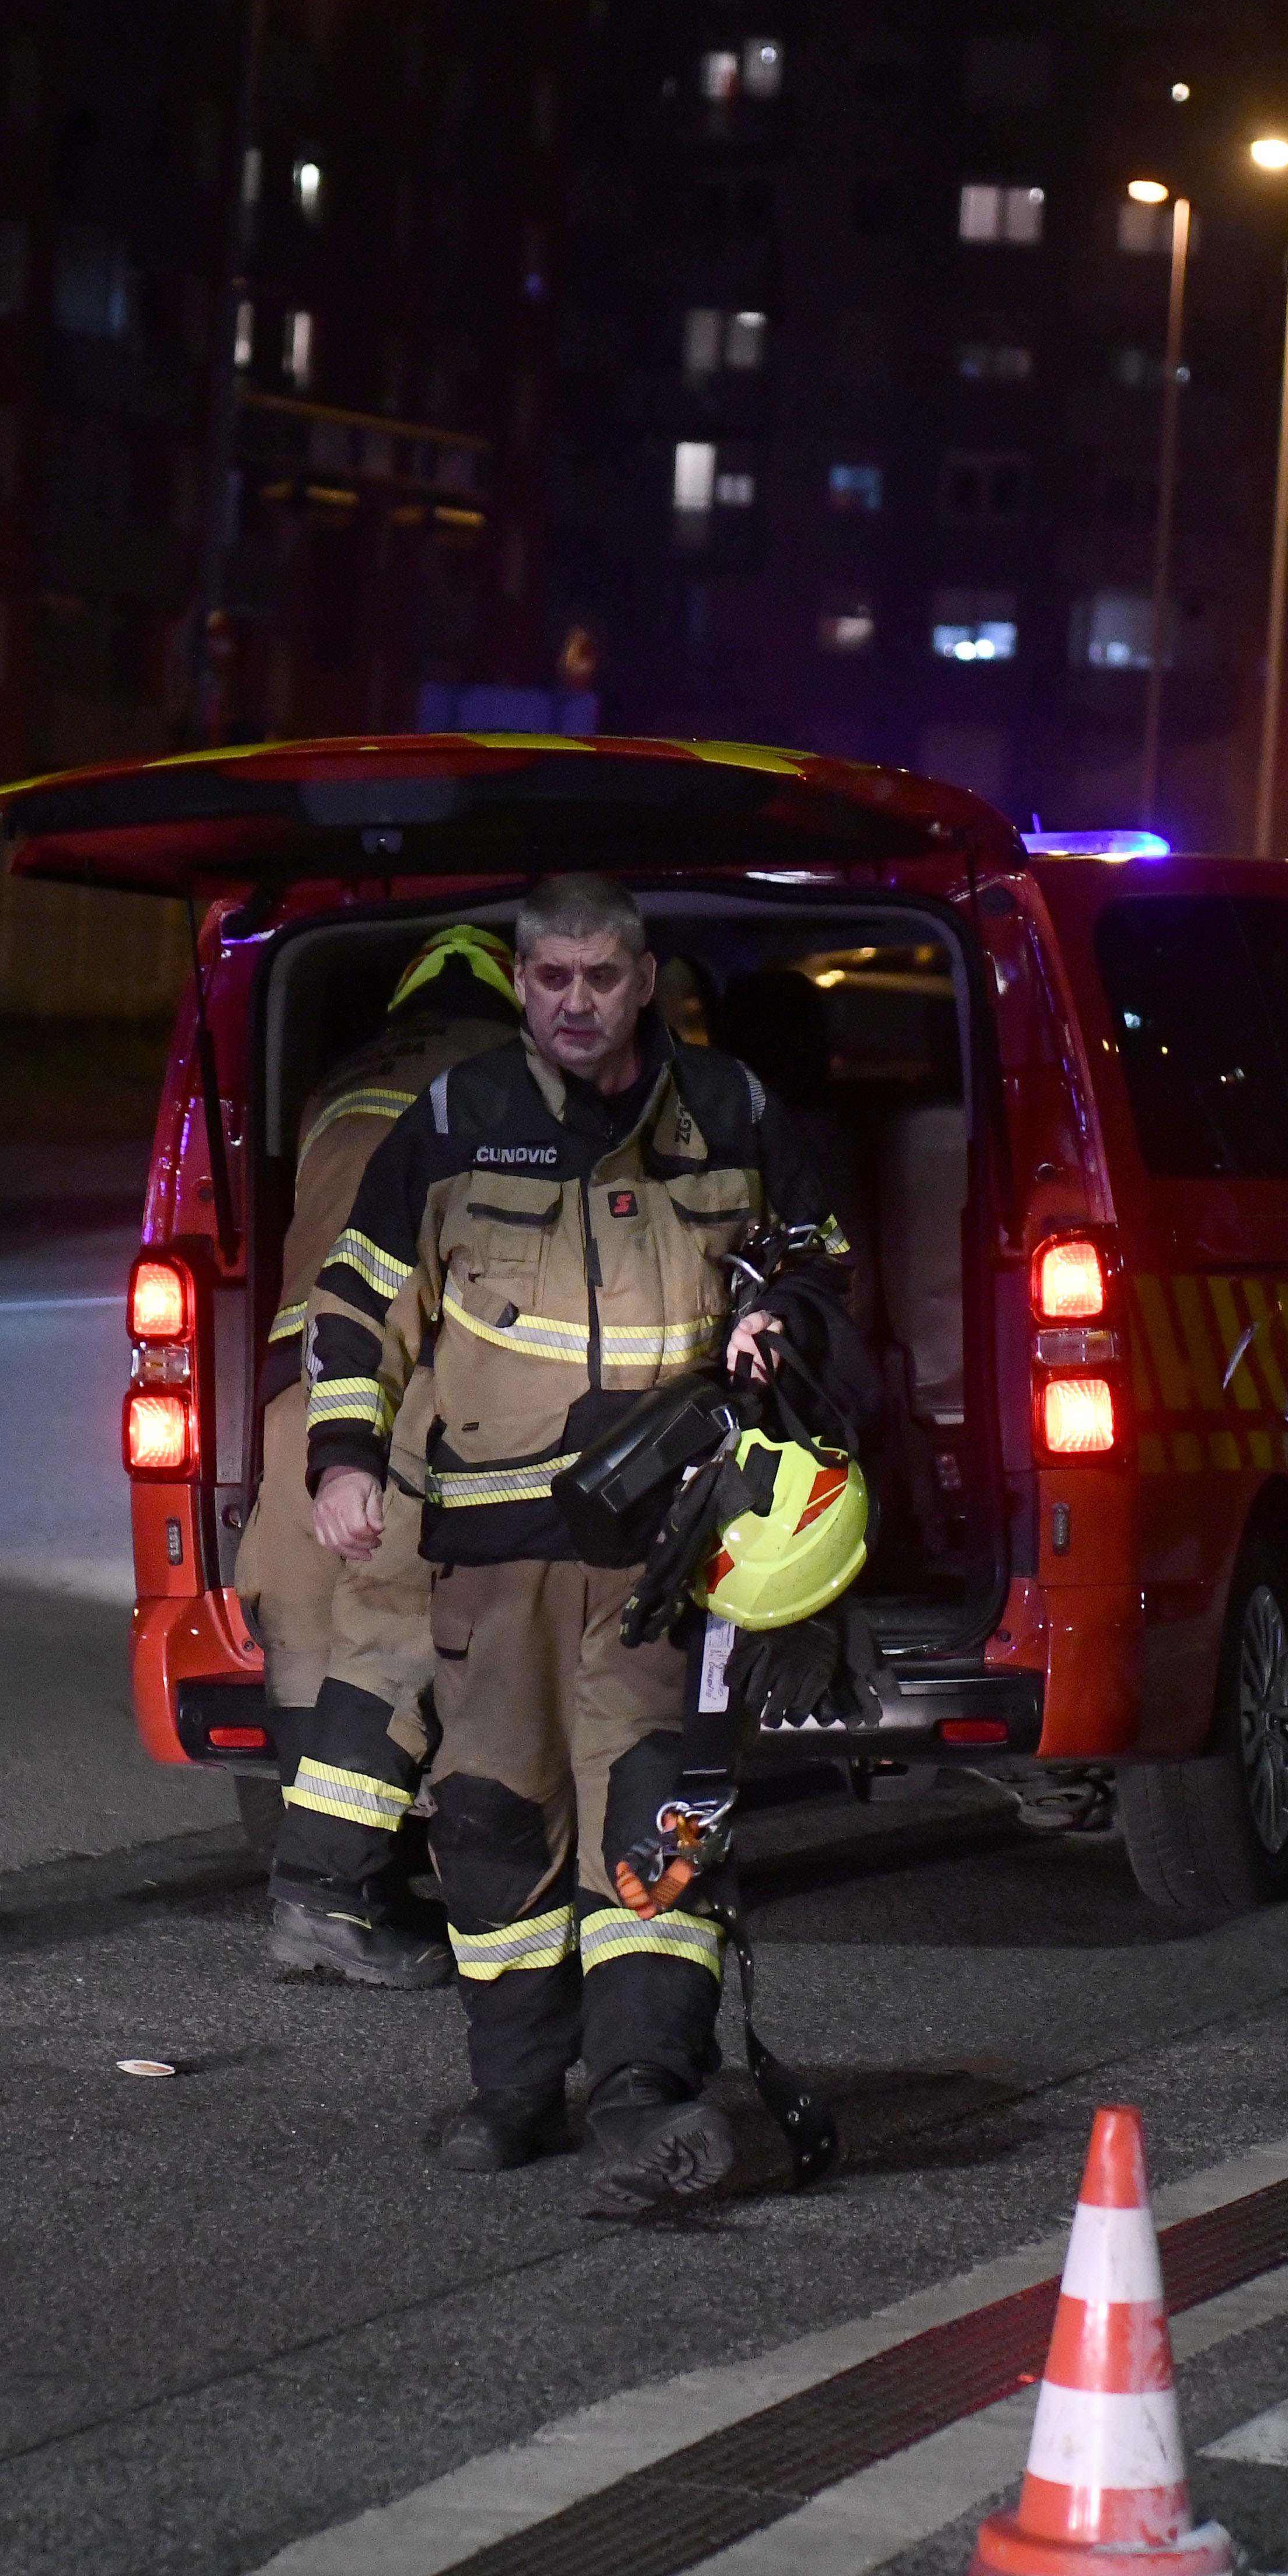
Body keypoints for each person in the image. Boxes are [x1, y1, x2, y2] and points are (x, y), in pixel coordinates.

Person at [299, 873, 850, 2202]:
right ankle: (513, 2094)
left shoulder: (732, 1111)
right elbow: (359, 1301)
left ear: (645, 980)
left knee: (654, 1824)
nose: (577, 1003)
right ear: (520, 981)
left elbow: (821, 1262)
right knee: (493, 1826)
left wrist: (781, 1318)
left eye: (603, 976)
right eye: (551, 977)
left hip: (669, 1563)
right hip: (494, 1564)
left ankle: (644, 2092)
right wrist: (343, 1456)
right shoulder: (457, 1120)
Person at [245, 923, 522, 1987]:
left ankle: (339, 1891)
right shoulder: (508, 1083)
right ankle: (330, 1897)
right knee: (399, 1633)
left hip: (298, 1397)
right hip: (399, 1392)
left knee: (306, 1635)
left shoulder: (338, 1085)